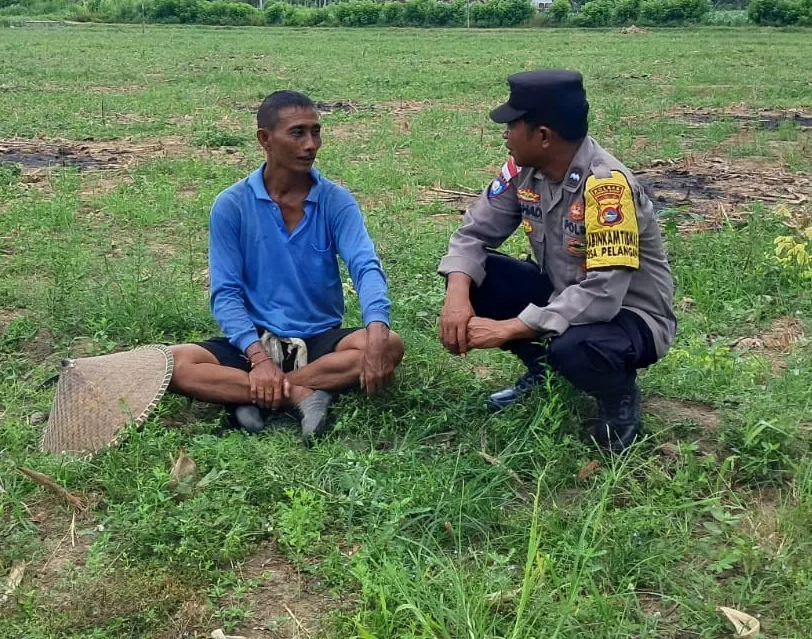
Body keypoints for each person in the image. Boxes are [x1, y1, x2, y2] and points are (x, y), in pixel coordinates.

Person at [436, 70, 675, 451]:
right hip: (565, 297)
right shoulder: (522, 170)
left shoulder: (606, 187)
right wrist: (456, 297)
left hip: (629, 318)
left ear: (543, 136)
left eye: (512, 125)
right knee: (479, 277)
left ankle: (619, 398)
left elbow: (603, 294)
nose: (504, 135)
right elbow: (474, 235)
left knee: (574, 347)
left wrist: (510, 328)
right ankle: (544, 371)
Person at [169, 90, 405, 445]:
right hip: (254, 340)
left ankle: (253, 396)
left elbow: (365, 266)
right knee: (174, 364)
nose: (311, 144)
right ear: (265, 139)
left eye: (316, 131)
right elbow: (225, 293)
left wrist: (376, 330)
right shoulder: (232, 205)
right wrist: (259, 357)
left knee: (390, 346)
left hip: (319, 338)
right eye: (297, 133)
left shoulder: (334, 200)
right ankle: (301, 394)